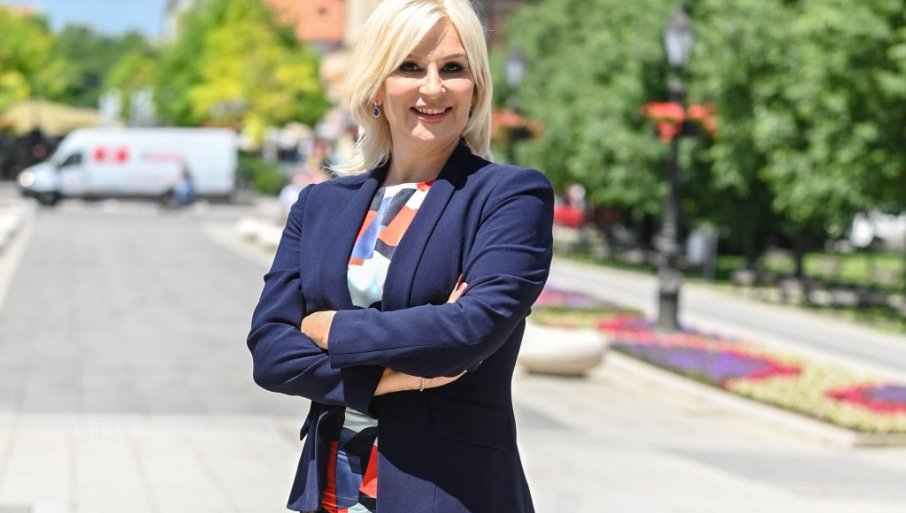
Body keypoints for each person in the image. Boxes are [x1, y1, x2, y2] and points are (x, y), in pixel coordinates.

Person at [247, 1, 553, 512]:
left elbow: (469, 332)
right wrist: (400, 375)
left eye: (452, 69)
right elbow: (271, 352)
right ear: (376, 86)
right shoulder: (319, 205)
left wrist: (331, 329)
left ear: (476, 88)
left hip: (451, 493)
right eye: (410, 67)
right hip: (330, 490)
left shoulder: (509, 198)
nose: (433, 88)